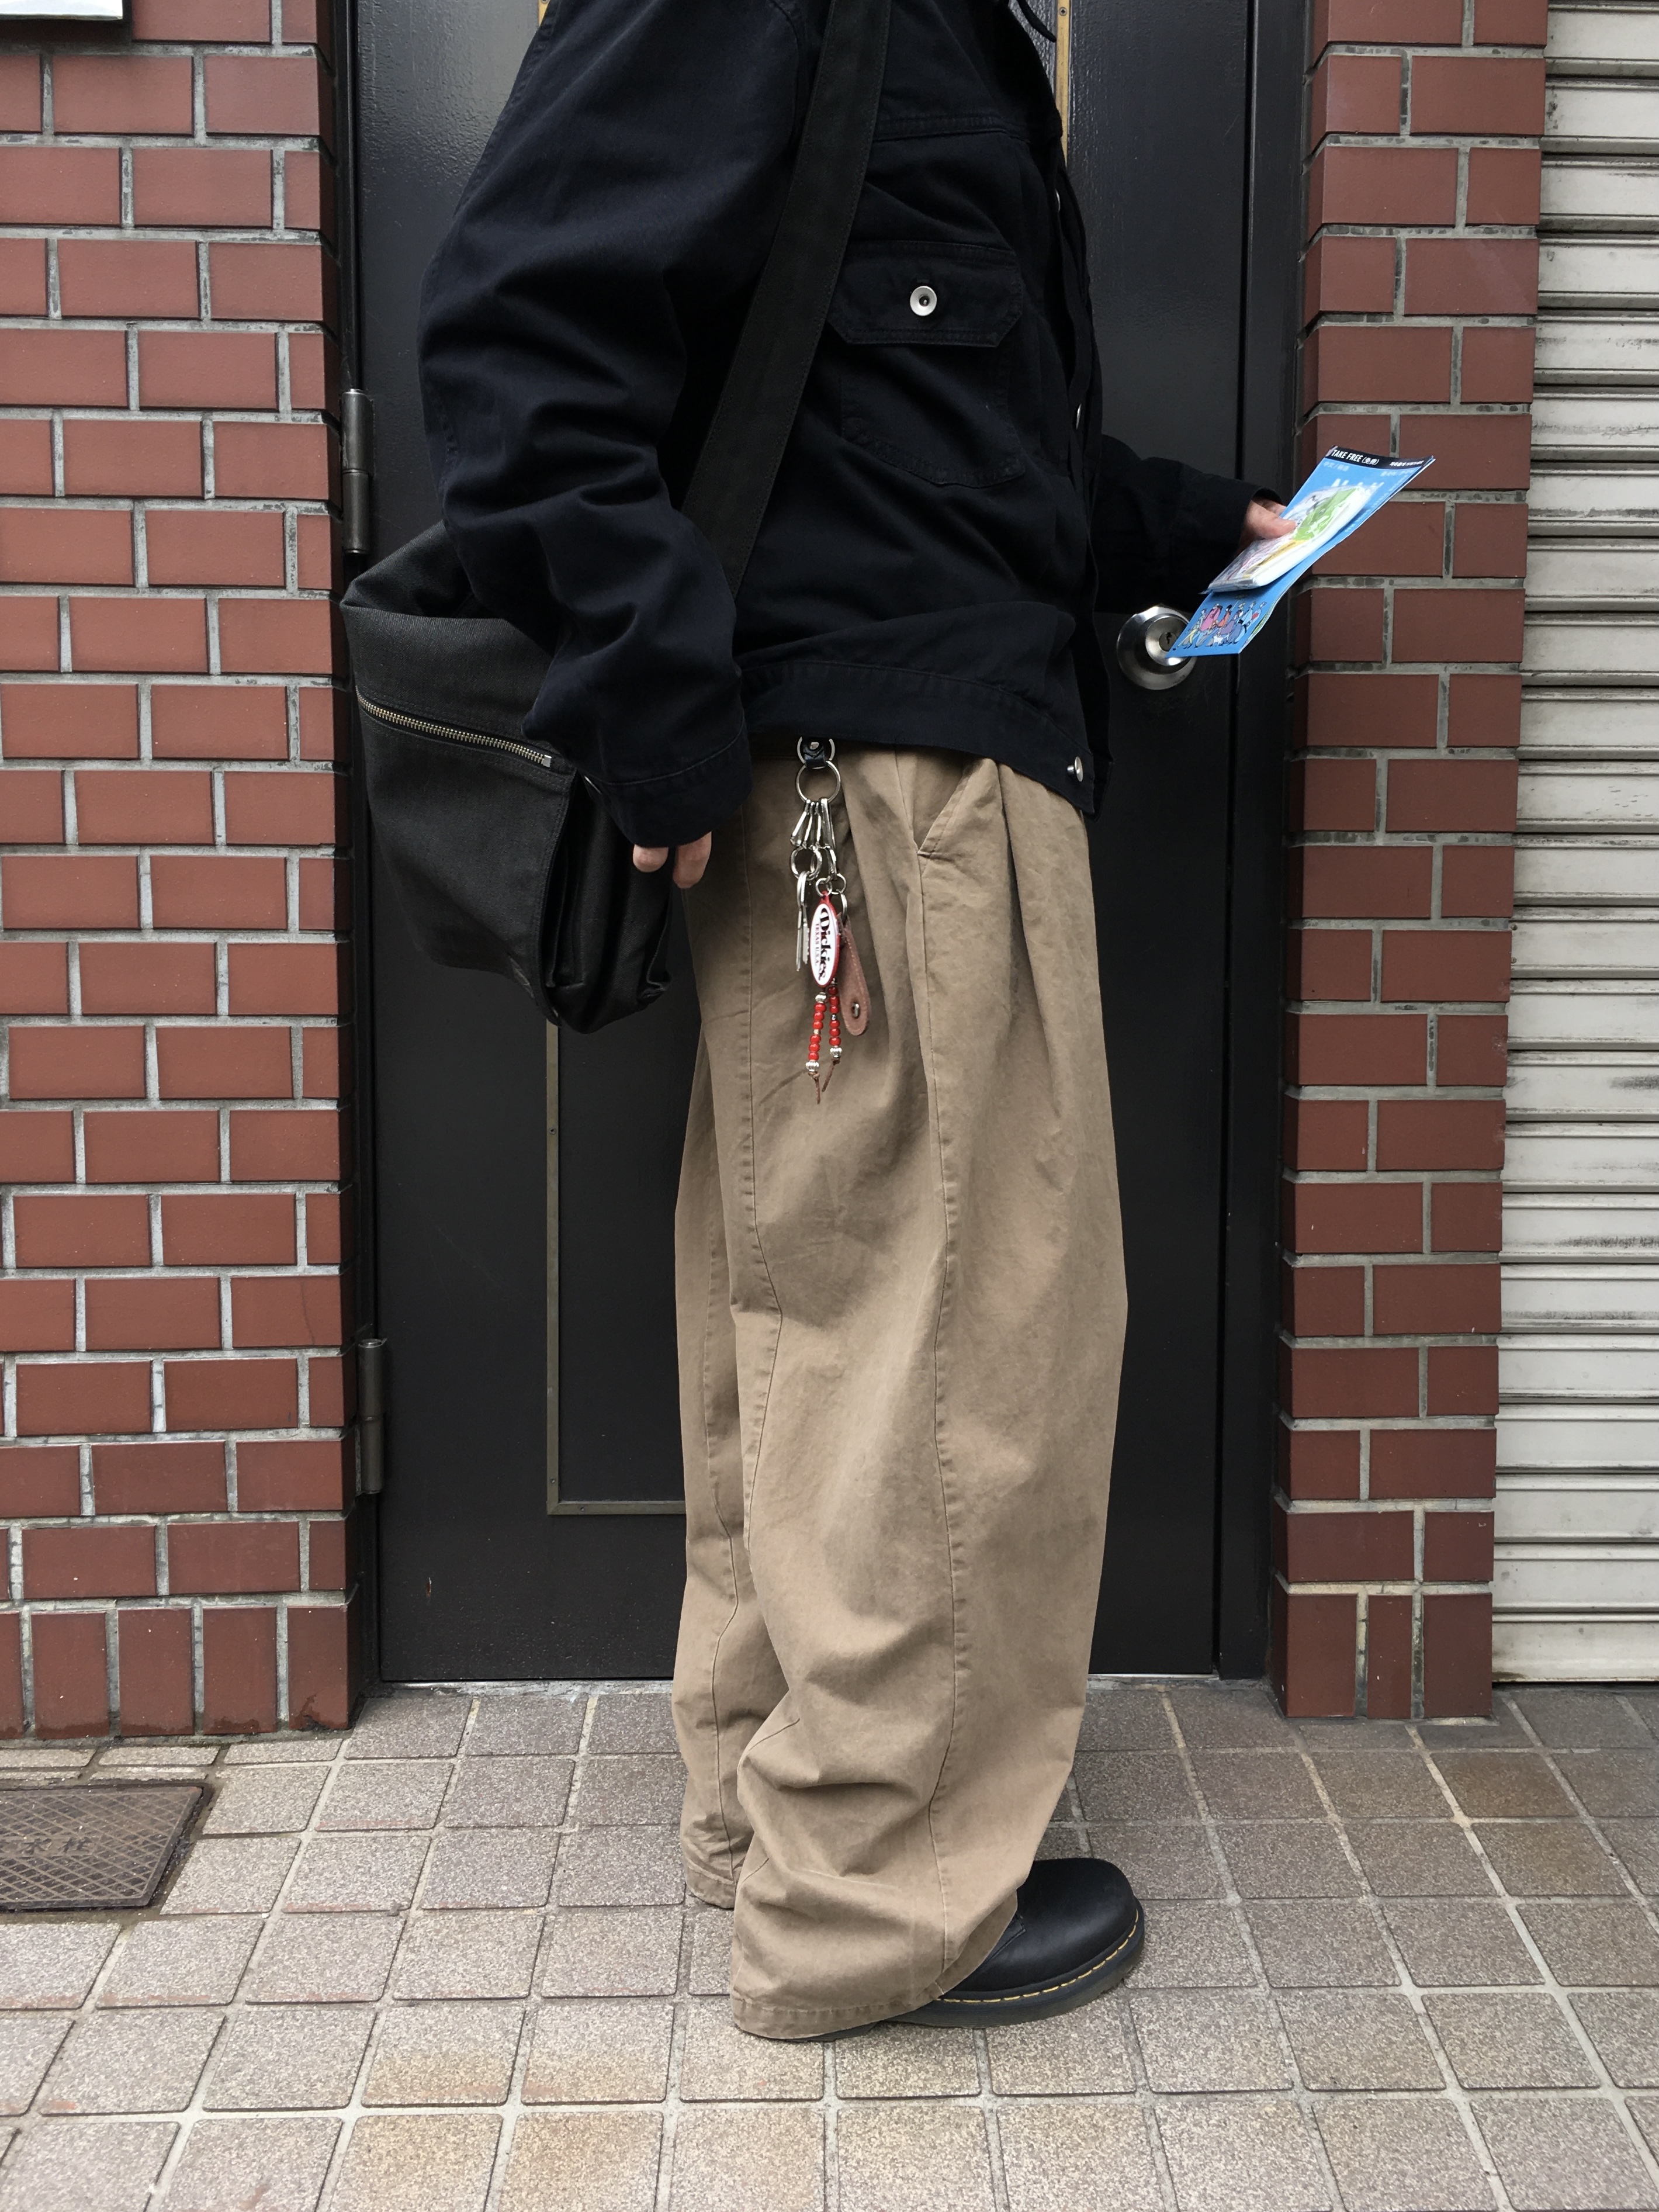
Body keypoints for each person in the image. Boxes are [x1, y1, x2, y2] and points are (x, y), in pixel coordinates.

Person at [418, 0, 1290, 2041]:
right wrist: (650, 691)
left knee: (820, 1323)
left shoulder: (935, 33)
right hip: (891, 795)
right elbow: (517, 340)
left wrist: (1198, 526)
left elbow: (932, 452)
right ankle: (880, 1902)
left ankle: (780, 1815)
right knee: (955, 1340)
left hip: (892, 766)